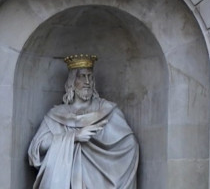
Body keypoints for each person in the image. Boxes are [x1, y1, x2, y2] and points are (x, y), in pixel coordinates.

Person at [27, 54, 140, 189]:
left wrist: (101, 141)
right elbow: (37, 148)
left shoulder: (107, 110)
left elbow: (129, 144)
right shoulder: (57, 114)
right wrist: (74, 137)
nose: (87, 81)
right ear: (72, 82)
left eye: (90, 77)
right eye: (82, 76)